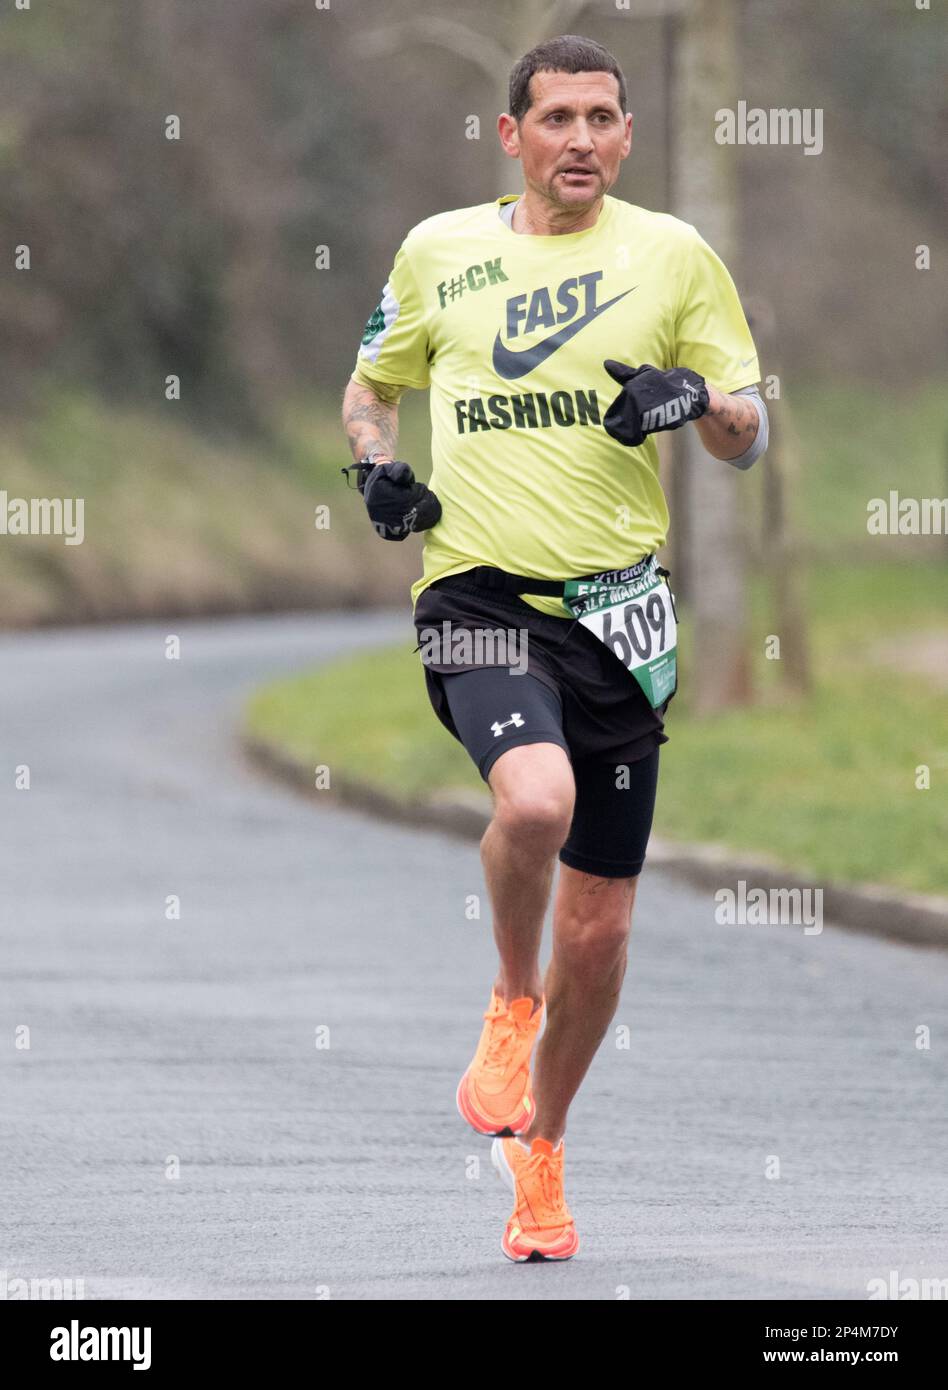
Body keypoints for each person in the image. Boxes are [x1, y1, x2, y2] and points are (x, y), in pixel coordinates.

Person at [341, 33, 767, 1263]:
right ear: (510, 137)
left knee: (607, 928)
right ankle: (509, 1002)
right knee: (534, 800)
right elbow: (371, 388)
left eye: (602, 117)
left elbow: (750, 431)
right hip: (478, 591)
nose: (580, 138)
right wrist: (376, 472)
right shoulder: (440, 251)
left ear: (629, 137)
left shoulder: (675, 256)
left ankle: (542, 1143)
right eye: (557, 117)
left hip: (620, 615)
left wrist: (695, 404)